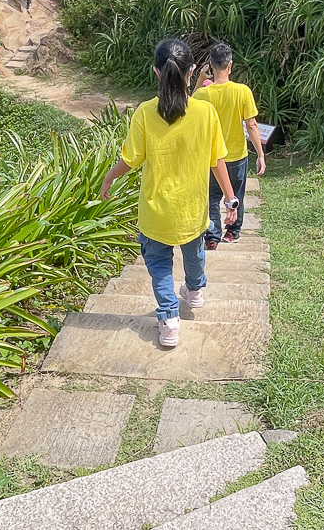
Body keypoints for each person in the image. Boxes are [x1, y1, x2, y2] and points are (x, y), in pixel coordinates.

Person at [100, 39, 239, 348]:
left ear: (155, 72)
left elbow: (130, 159)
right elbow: (217, 160)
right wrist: (230, 198)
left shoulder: (145, 113)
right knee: (195, 253)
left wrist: (108, 179)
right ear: (192, 71)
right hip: (192, 209)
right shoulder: (205, 113)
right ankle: (195, 289)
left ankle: (170, 321)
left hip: (155, 212)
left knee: (160, 265)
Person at [193, 42, 266, 250]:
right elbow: (251, 124)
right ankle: (232, 233)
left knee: (212, 197)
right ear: (230, 65)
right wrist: (260, 154)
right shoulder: (242, 91)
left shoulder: (202, 95)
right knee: (236, 194)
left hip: (211, 157)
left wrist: (200, 81)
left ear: (210, 66)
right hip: (236, 154)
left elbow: (189, 107)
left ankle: (212, 236)